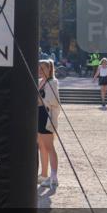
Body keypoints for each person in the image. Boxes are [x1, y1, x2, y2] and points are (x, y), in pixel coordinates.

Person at [37, 59, 62, 188]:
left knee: (49, 147)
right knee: (41, 146)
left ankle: (54, 177)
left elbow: (53, 102)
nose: (40, 71)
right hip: (38, 116)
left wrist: (39, 101)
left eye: (43, 68)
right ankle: (44, 174)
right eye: (39, 68)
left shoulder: (52, 82)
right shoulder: (40, 82)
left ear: (49, 69)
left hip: (46, 117)